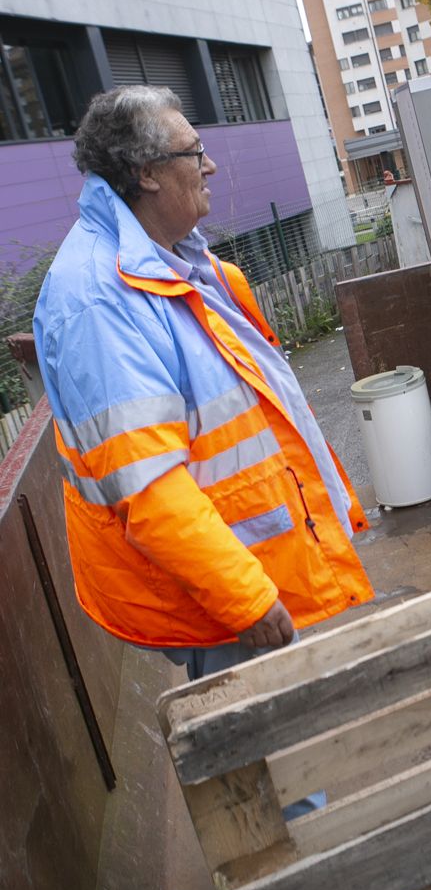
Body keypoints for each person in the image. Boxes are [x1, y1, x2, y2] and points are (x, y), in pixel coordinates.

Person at [33, 85, 375, 695]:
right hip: (219, 604)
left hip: (239, 576)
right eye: (194, 152)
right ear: (147, 175)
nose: (210, 164)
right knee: (266, 770)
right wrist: (243, 599)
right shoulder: (98, 300)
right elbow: (152, 491)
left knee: (286, 756)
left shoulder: (172, 262)